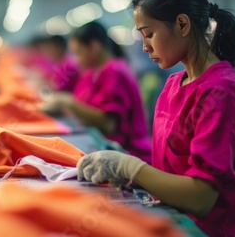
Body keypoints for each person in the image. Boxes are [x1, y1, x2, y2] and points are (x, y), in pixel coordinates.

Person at [77, 0, 235, 236]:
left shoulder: (222, 92)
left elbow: (201, 198)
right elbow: (170, 173)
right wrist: (130, 170)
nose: (145, 47)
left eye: (149, 34)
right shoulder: (172, 86)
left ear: (182, 24)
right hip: (177, 221)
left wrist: (131, 167)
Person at [40, 21, 152, 163]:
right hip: (106, 148)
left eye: (78, 52)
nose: (75, 59)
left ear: (94, 46)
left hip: (129, 156)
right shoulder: (91, 72)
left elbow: (108, 125)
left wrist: (69, 103)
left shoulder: (114, 71)